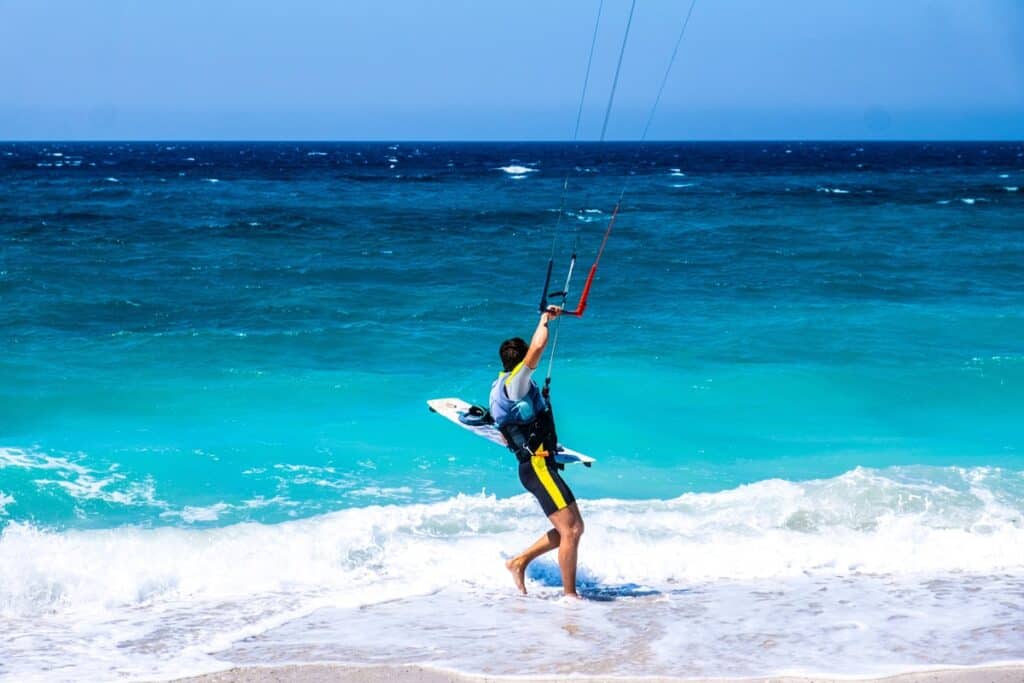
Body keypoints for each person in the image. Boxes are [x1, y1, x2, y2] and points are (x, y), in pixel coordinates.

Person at [490, 305, 584, 598]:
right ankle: (570, 598)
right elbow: (539, 346)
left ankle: (519, 562)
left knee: (573, 529)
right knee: (571, 531)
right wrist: (546, 319)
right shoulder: (515, 385)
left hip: (542, 465)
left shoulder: (505, 385)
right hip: (537, 467)